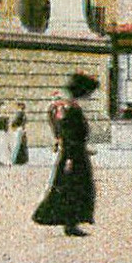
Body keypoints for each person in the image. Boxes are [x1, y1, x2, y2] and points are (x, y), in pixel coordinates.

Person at [33, 73, 98, 237]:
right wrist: (69, 157)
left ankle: (72, 223)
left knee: (73, 189)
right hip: (73, 155)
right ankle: (70, 224)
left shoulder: (68, 107)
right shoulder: (71, 109)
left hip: (76, 153)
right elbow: (70, 134)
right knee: (72, 189)